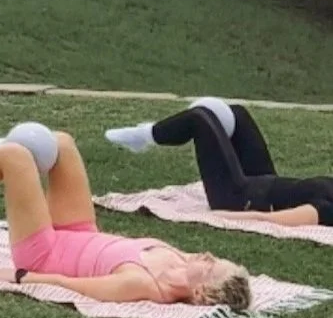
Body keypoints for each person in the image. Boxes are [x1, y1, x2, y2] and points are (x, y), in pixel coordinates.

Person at [0, 122, 251, 309]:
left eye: (211, 266)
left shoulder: (143, 285)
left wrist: (21, 277)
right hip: (80, 231)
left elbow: (75, 285)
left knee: (17, 158)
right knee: (61, 143)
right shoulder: (182, 260)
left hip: (43, 252)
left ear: (201, 294)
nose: (206, 255)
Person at [106, 97, 333, 228]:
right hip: (266, 181)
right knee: (237, 114)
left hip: (237, 197)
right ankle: (161, 132)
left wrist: (215, 217)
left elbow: (268, 218)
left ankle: (144, 136)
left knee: (199, 117)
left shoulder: (327, 210)